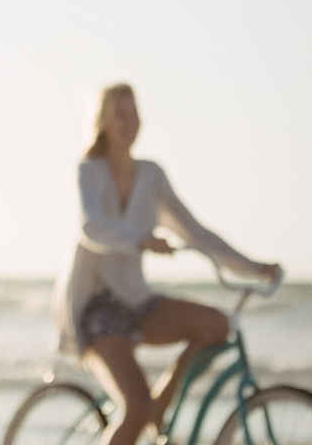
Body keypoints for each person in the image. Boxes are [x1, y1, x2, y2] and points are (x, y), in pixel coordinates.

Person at [51, 83, 280, 445]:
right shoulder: (89, 171)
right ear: (104, 122)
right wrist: (140, 239)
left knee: (219, 325)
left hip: (136, 300)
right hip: (96, 308)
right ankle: (146, 412)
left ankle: (161, 405)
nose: (130, 121)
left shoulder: (151, 175)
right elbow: (89, 226)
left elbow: (195, 234)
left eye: (134, 112)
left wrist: (254, 267)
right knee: (135, 408)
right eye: (120, 114)